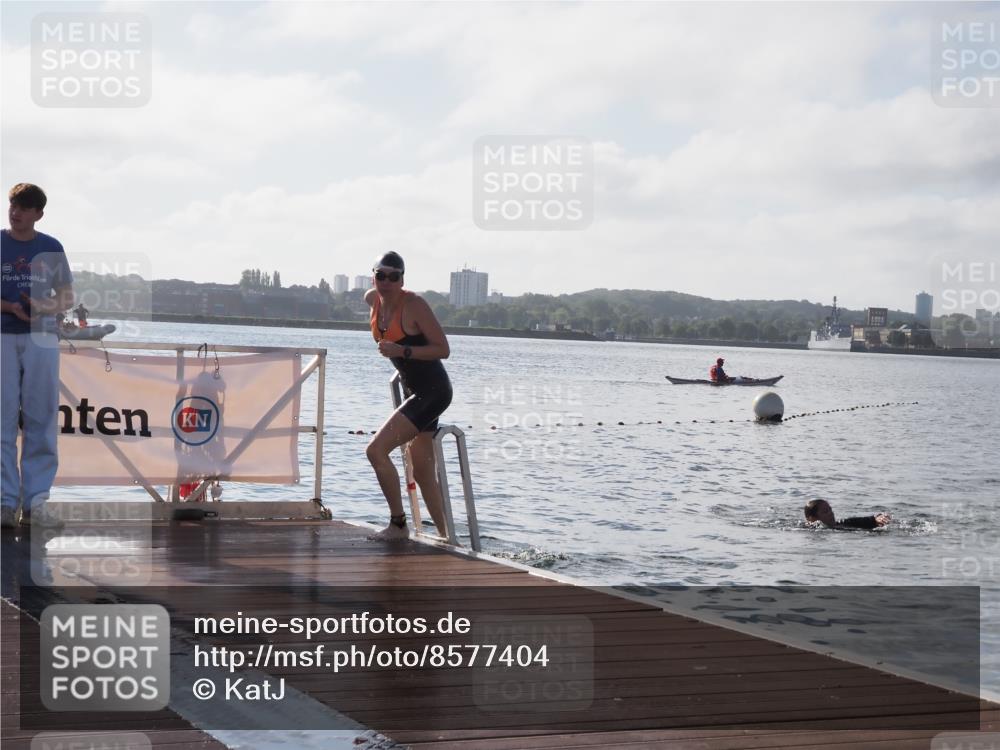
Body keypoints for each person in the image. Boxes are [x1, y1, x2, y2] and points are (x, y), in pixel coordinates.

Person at [364, 251, 452, 541]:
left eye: (394, 276)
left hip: (433, 391)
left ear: (402, 280)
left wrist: (403, 350)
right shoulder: (372, 300)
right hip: (413, 390)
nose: (387, 282)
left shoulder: (414, 305)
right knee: (423, 471)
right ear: (373, 277)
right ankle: (448, 536)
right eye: (381, 275)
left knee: (376, 451)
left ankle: (398, 525)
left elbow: (443, 349)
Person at [1, 183, 74, 528]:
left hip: (42, 339)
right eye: (13, 206)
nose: (15, 213)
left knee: (41, 419)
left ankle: (36, 503)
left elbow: (67, 297)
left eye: (23, 208)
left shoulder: (51, 247)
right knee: (1, 420)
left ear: (38, 214)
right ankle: (4, 503)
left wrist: (42, 306)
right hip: (3, 335)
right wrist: (10, 307)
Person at [804, 499, 890, 531]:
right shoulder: (804, 529)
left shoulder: (841, 524)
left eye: (830, 510)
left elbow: (857, 521)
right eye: (826, 511)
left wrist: (875, 519)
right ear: (812, 518)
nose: (831, 513)